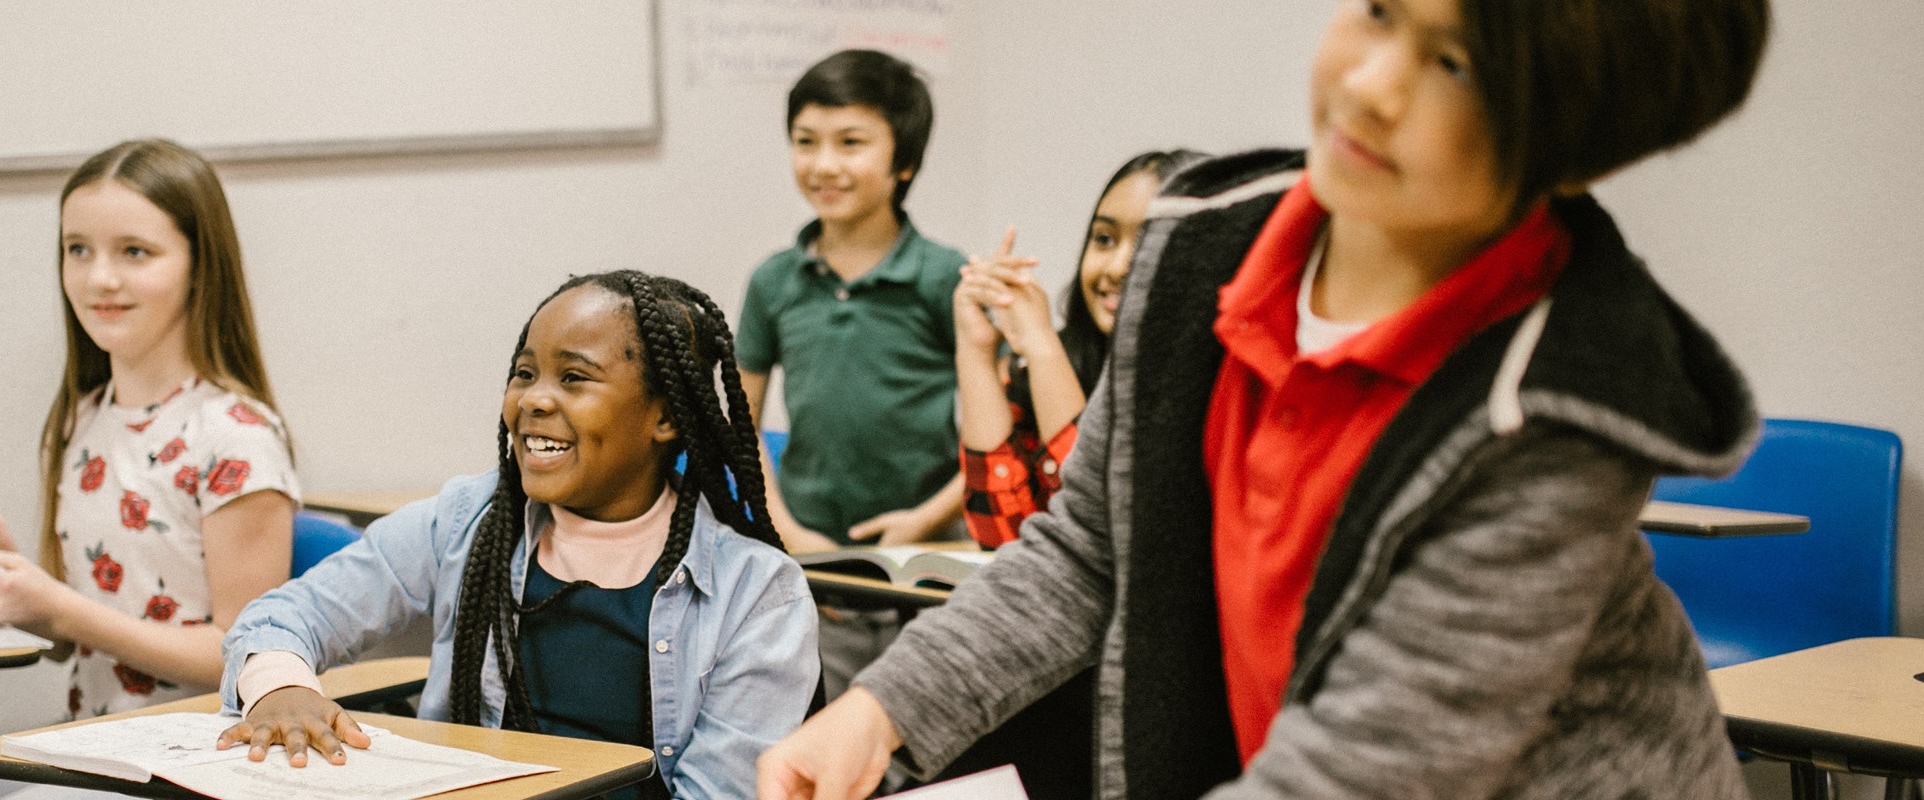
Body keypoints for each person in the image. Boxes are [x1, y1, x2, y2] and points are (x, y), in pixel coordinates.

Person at [759, 0, 1773, 796]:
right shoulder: (1203, 242)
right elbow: (1089, 551)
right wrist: (881, 707)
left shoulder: (1551, 413)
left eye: (1455, 63)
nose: (1370, 86)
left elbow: (1367, 767)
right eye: (1378, 10)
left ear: (1578, 141)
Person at [218, 271, 818, 800]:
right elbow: (285, 615)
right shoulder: (466, 520)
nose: (533, 400)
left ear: (664, 417)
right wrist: (280, 688)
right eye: (524, 373)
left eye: (575, 378)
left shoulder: (759, 595)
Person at [0, 138, 300, 720]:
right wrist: (10, 582)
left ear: (200, 267)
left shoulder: (237, 437)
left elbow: (249, 653)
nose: (99, 277)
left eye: (135, 251)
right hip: (90, 748)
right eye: (77, 250)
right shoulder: (83, 418)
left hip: (197, 761)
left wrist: (59, 608)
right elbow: (68, 644)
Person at [735, 47, 968, 702]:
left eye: (851, 142)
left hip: (928, 568)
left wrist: (927, 516)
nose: (824, 164)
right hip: (810, 569)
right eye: (806, 141)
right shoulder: (774, 281)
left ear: (904, 162)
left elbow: (1000, 431)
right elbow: (739, 422)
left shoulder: (944, 275)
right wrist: (783, 526)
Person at [955, 150, 1202, 549]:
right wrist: (975, 350)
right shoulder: (1064, 362)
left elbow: (1100, 533)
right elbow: (1001, 534)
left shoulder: (1217, 384)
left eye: (1148, 243)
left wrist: (1041, 347)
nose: (1117, 267)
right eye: (1104, 239)